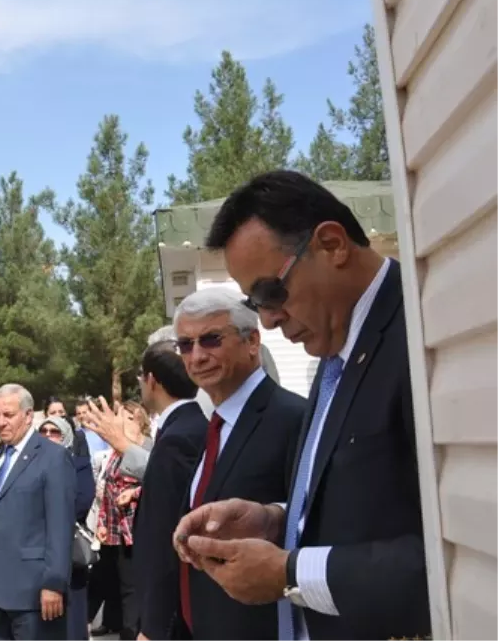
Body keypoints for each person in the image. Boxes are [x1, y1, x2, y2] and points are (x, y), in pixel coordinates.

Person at [173, 171, 431, 641]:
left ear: (332, 244)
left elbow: (457, 553)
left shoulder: (422, 335)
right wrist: (275, 520)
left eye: (271, 293)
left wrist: (292, 571)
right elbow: (365, 505)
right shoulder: (334, 352)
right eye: (255, 302)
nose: (269, 321)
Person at [159, 286, 307, 640]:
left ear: (252, 341)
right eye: (185, 345)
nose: (196, 357)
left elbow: (316, 522)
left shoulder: (293, 418)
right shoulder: (217, 425)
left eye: (211, 340)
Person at [0, 384, 75, 641]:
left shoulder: (52, 457)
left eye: (8, 415)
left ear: (29, 415)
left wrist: (54, 583)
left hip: (34, 592)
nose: (1, 422)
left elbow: (60, 526)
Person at [130, 341, 205, 641]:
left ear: (151, 380)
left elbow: (164, 540)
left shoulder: (175, 441)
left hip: (174, 617)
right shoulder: (197, 425)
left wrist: (152, 626)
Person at [93, 404, 150, 641]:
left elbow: (159, 481)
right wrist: (102, 522)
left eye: (129, 417)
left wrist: (135, 494)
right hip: (116, 534)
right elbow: (107, 487)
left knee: (134, 593)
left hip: (138, 532)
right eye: (120, 416)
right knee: (119, 588)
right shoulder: (116, 452)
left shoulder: (147, 448)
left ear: (141, 422)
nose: (122, 421)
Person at [36, 416, 95, 641]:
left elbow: (82, 500)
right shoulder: (31, 464)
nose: (49, 436)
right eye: (44, 431)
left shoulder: (77, 462)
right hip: (38, 551)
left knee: (72, 619)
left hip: (69, 551)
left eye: (55, 432)